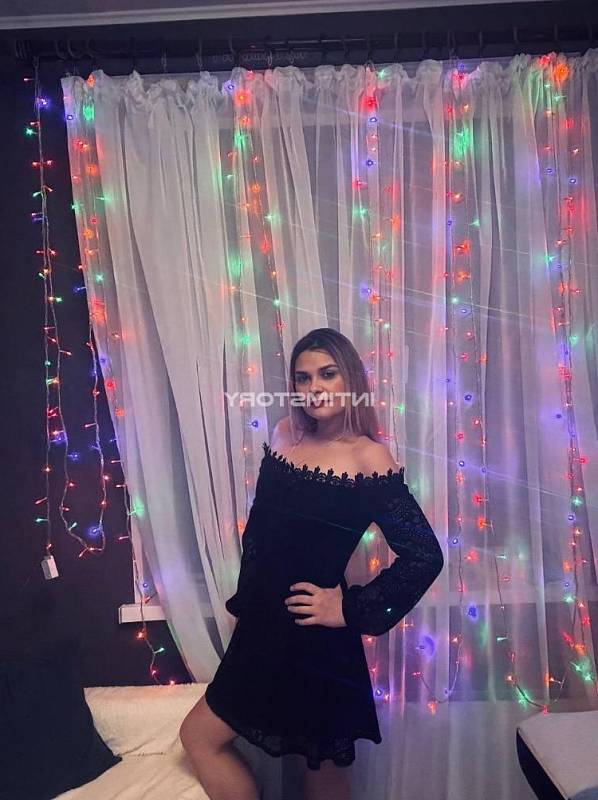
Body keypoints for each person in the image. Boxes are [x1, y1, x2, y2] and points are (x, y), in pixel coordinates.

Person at [179, 327, 444, 800]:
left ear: (351, 379)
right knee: (200, 736)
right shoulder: (286, 433)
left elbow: (424, 555)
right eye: (303, 378)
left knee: (319, 768)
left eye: (327, 374)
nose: (314, 388)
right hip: (262, 630)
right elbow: (264, 532)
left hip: (315, 637)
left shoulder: (369, 457)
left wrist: (349, 608)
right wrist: (252, 602)